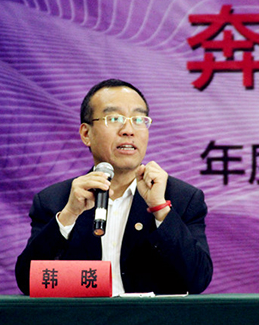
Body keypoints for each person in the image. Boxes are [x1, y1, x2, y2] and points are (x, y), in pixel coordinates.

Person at [15, 79, 213, 295]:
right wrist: (69, 216)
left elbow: (198, 280)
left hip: (151, 317)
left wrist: (160, 209)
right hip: (83, 317)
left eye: (138, 119)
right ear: (86, 134)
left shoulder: (182, 198)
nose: (128, 130)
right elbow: (28, 281)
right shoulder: (56, 201)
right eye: (114, 118)